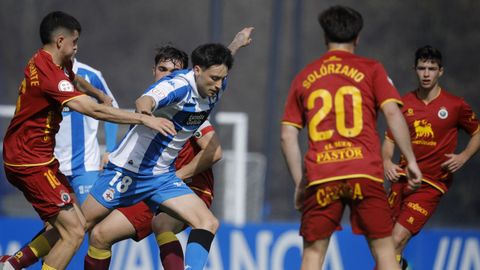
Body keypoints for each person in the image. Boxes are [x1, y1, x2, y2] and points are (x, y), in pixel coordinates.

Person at [1, 11, 174, 270]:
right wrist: (141, 119)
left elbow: (75, 80)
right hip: (30, 163)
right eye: (75, 41)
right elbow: (90, 110)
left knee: (71, 225)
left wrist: (99, 93)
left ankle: (13, 265)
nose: (77, 47)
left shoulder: (48, 60)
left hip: (37, 159)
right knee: (74, 232)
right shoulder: (50, 75)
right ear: (60, 41)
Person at [81, 29, 253, 270]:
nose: (219, 84)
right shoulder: (178, 87)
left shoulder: (213, 85)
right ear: (196, 72)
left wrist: (235, 44)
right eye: (214, 78)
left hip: (161, 178)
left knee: (207, 222)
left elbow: (218, 67)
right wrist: (147, 118)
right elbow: (145, 101)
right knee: (80, 228)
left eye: (222, 78)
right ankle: (20, 261)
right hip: (128, 173)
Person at [280, 5, 421, 270]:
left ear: (325, 38)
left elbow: (288, 135)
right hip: (364, 173)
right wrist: (410, 160)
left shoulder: (305, 76)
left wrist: (300, 183)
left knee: (312, 256)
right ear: (357, 37)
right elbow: (392, 112)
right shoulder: (372, 69)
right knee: (385, 253)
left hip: (322, 175)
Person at [382, 45, 480, 269]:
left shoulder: (456, 105)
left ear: (441, 71)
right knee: (386, 245)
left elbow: (477, 132)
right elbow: (389, 140)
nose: (426, 74)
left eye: (431, 69)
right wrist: (387, 161)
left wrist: (464, 156)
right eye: (421, 68)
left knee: (397, 239)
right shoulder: (403, 103)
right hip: (402, 181)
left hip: (431, 184)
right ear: (414, 70)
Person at [55, 58, 119, 205]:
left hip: (86, 165)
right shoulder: (42, 75)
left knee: (91, 220)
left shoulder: (91, 75)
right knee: (58, 224)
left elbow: (112, 108)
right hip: (52, 164)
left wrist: (109, 150)